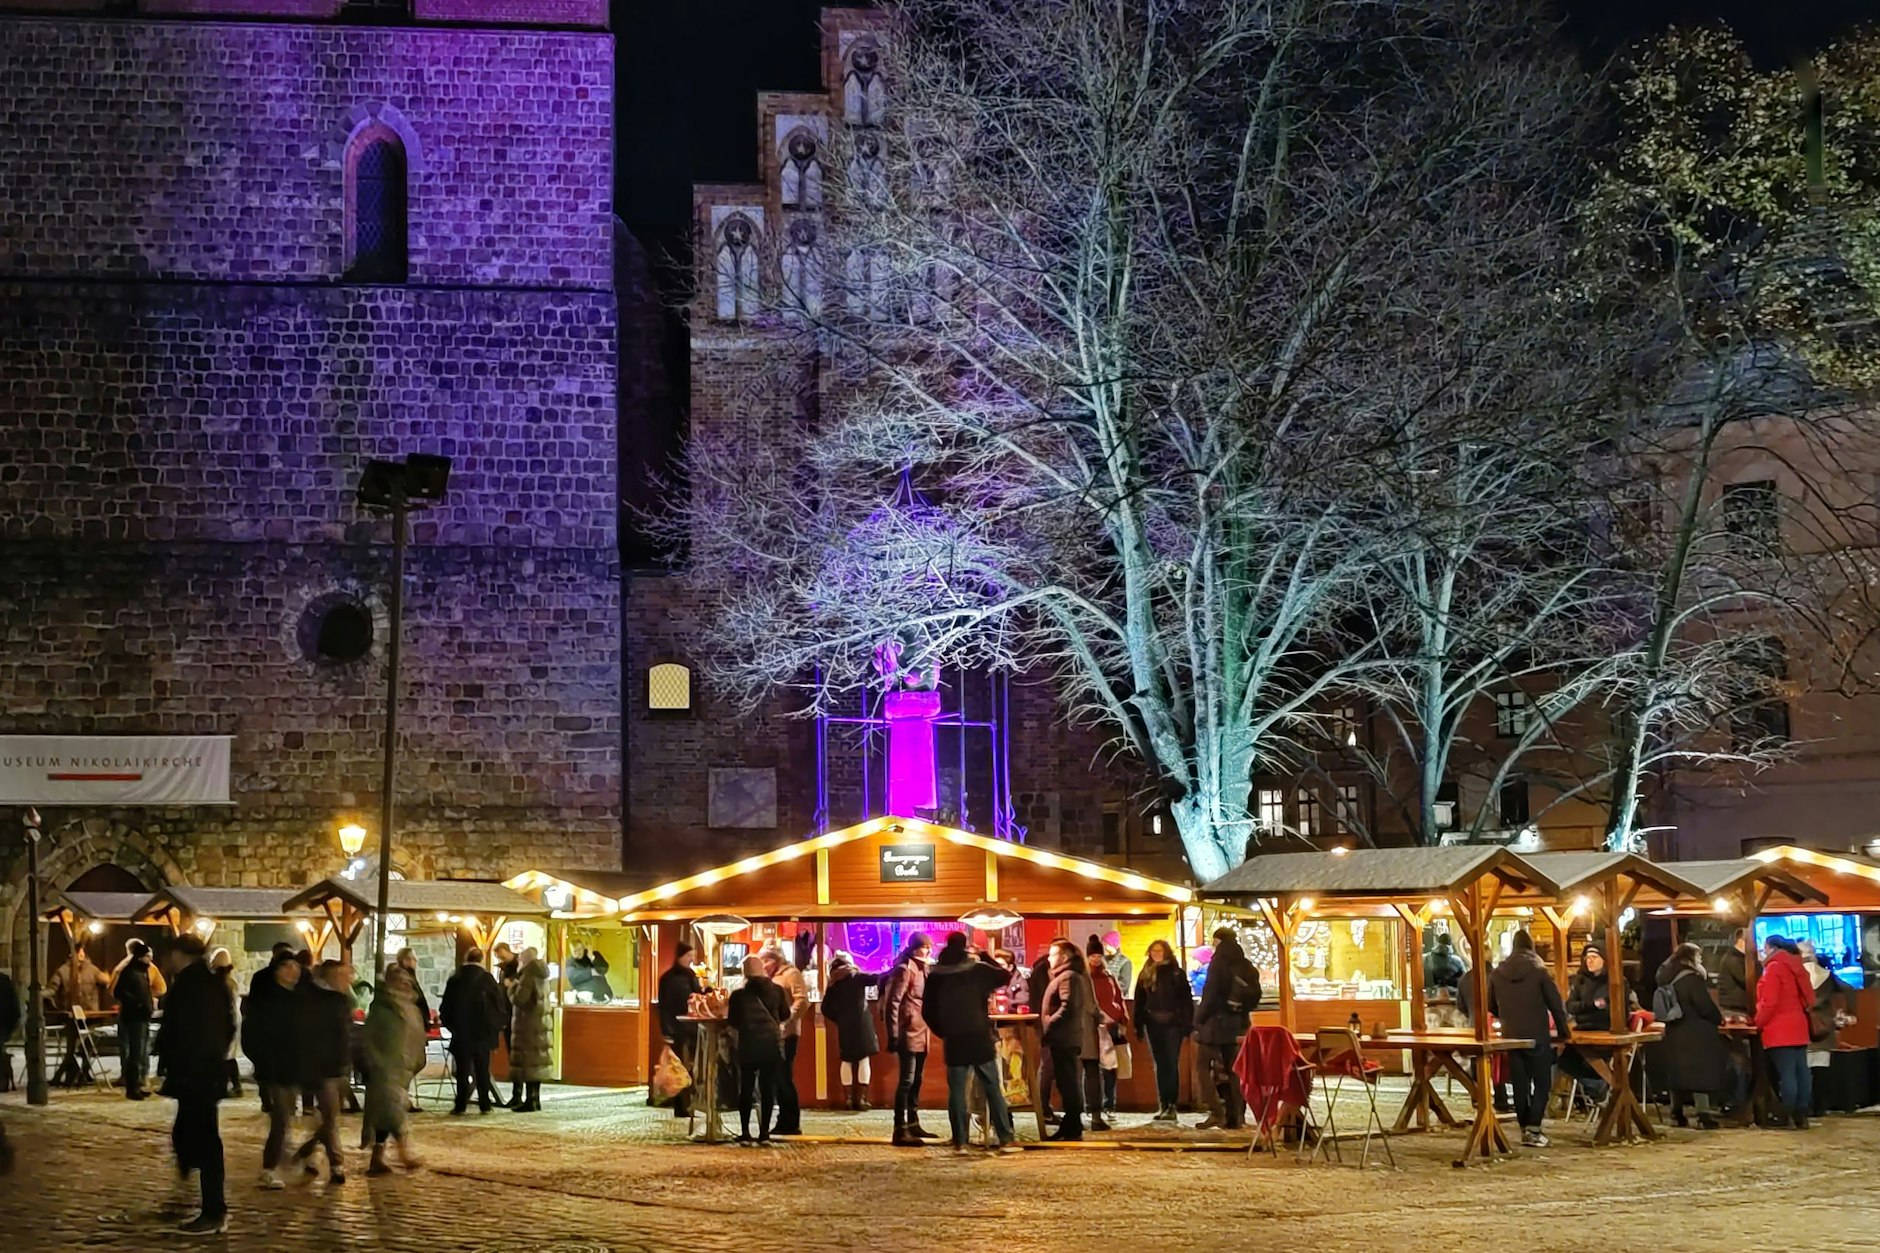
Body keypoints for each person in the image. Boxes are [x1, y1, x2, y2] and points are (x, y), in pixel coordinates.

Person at [156, 935, 235, 1235]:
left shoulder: (193, 986)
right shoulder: (207, 982)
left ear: (178, 954)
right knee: (190, 1133)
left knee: (206, 1140)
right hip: (202, 1072)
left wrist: (189, 1064)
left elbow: (193, 1031)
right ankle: (193, 1173)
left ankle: (214, 1210)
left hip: (197, 1073)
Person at [922, 932, 1019, 1153]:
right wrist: (985, 955)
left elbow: (927, 1010)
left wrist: (944, 1031)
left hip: (954, 1038)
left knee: (957, 1091)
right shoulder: (977, 969)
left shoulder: (937, 974)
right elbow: (1005, 975)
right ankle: (1005, 1137)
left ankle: (960, 1142)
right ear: (965, 946)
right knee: (992, 1087)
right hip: (978, 1034)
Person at [1487, 929, 1570, 1147]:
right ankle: (1534, 1128)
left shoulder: (1497, 973)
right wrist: (1563, 1032)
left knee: (1520, 1084)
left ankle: (1525, 1128)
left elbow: (1490, 1006)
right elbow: (1556, 1004)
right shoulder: (1539, 971)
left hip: (1511, 1035)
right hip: (1537, 1034)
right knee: (1543, 1083)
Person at [241, 950, 302, 1188]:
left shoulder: (297, 998)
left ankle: (296, 1157)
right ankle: (269, 1168)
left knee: (289, 1117)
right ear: (277, 971)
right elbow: (254, 1036)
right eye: (288, 967)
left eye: (295, 967)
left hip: (293, 1065)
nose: (293, 972)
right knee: (281, 1118)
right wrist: (264, 1062)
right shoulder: (267, 1002)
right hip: (275, 1068)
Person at [292, 958, 354, 1183]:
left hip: (337, 1065)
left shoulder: (340, 999)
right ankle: (337, 1164)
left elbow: (344, 1034)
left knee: (329, 1116)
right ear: (332, 977)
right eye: (344, 976)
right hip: (320, 1066)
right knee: (330, 1117)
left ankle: (307, 1153)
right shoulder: (312, 1000)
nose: (349, 980)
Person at [363, 963, 427, 1175]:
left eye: (407, 981)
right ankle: (404, 1152)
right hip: (386, 1067)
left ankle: (377, 1158)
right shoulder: (382, 1007)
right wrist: (375, 1061)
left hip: (404, 1067)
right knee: (393, 1112)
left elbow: (416, 1036)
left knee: (385, 1113)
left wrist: (418, 1060)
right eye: (400, 981)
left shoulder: (410, 1007)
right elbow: (370, 1036)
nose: (404, 985)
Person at [1193, 927, 1259, 1130]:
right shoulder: (1246, 965)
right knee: (1234, 1070)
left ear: (1218, 941)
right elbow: (1256, 995)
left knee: (1203, 1066)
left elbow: (1210, 995)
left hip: (1215, 1025)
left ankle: (1216, 1112)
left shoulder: (1218, 963)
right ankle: (1237, 1115)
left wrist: (1198, 1019)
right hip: (1238, 1024)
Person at [1657, 942, 1725, 1130]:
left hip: (1675, 1031)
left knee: (1678, 1074)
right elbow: (1704, 1005)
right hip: (1696, 1033)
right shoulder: (1691, 979)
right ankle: (1703, 1116)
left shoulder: (1667, 976)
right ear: (1690, 957)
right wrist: (1718, 1018)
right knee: (1699, 1075)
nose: (1701, 959)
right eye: (1698, 955)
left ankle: (1676, 1113)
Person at [726, 953, 789, 1144]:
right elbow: (785, 1014)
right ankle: (764, 1133)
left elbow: (733, 1021)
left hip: (748, 1046)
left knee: (746, 1088)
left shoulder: (738, 995)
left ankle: (745, 1132)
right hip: (771, 1046)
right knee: (767, 1089)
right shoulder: (777, 990)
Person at [1755, 934, 1817, 1129]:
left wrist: (1758, 1022)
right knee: (1802, 1073)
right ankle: (1802, 1115)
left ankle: (1786, 1116)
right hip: (1799, 1025)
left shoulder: (1773, 969)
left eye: (1764, 948)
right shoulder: (1797, 967)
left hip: (1779, 1028)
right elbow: (1810, 998)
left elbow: (1769, 1002)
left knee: (1787, 1075)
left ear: (1771, 948)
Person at [1040, 937, 1099, 1140]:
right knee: (1066, 1082)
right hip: (1062, 1037)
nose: (1049, 958)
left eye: (1052, 954)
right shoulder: (1065, 975)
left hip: (1064, 1037)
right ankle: (1071, 1124)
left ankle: (1072, 1125)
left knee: (1068, 1083)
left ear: (1063, 957)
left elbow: (1068, 1006)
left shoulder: (1069, 977)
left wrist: (1049, 1022)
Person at [1559, 943, 1633, 1103]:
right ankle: (1599, 1084)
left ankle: (1604, 1084)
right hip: (1583, 1031)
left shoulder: (1617, 982)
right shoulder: (1580, 981)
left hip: (1606, 1030)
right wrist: (1593, 1005)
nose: (1589, 961)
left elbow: (1615, 1009)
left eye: (1594, 957)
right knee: (1562, 1059)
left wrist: (1587, 1009)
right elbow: (1571, 1006)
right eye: (1587, 958)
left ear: (1604, 960)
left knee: (1593, 1058)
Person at [438, 946, 507, 1115]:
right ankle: (484, 1103)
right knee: (482, 1069)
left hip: (461, 1033)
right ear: (481, 959)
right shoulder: (487, 979)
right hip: (482, 1034)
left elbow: (445, 1007)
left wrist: (452, 1027)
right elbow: (499, 1006)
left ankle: (460, 1104)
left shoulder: (455, 978)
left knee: (462, 1070)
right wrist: (496, 1027)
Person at [883, 933, 936, 1146]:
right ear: (914, 948)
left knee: (917, 1079)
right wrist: (893, 1034)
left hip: (921, 1029)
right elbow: (892, 1003)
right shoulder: (905, 969)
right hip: (908, 1029)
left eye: (929, 947)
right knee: (907, 1080)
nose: (928, 951)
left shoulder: (923, 968)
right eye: (924, 947)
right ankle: (900, 1128)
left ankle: (913, 1123)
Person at [1133, 938, 1192, 1121]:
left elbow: (1186, 1000)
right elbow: (1139, 1001)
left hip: (1173, 1023)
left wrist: (1186, 1025)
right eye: (1153, 951)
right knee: (1160, 1065)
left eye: (1160, 950)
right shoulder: (1145, 974)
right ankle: (1163, 1104)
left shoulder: (1176, 973)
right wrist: (1138, 1025)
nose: (1156, 954)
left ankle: (1172, 1105)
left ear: (1166, 952)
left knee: (1171, 1063)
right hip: (1153, 1023)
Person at [820, 954, 883, 1111]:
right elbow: (877, 979)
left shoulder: (833, 982)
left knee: (846, 1059)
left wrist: (839, 1018)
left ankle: (848, 1099)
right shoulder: (856, 975)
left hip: (845, 1025)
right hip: (862, 1023)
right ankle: (861, 1099)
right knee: (863, 1059)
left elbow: (825, 1008)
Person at [759, 942, 809, 1136]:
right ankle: (784, 1120)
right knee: (777, 1078)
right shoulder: (770, 977)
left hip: (787, 1034)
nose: (763, 965)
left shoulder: (791, 974)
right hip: (772, 1033)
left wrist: (787, 1019)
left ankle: (790, 1120)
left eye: (765, 961)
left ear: (775, 960)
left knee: (783, 1077)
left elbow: (802, 1000)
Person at [1799, 941, 1852, 1118]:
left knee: (1803, 1072)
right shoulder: (1827, 975)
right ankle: (1820, 1108)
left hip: (1803, 1027)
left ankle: (1805, 1107)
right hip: (1824, 1027)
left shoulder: (1796, 976)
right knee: (1821, 1071)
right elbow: (1849, 989)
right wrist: (1847, 1012)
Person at [656, 942, 704, 1118]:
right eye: (689, 956)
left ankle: (689, 1103)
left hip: (692, 1027)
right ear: (680, 957)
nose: (691, 959)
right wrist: (666, 1030)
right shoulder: (669, 979)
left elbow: (697, 997)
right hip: (677, 1029)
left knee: (691, 1067)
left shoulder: (690, 975)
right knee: (679, 1067)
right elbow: (664, 1006)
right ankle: (680, 1105)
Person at [111, 939, 162, 1100]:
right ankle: (132, 1088)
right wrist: (138, 1003)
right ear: (140, 957)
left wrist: (148, 1002)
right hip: (134, 1018)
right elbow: (119, 992)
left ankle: (139, 1084)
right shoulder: (130, 972)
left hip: (143, 1017)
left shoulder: (143, 972)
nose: (150, 959)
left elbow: (155, 989)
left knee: (140, 1053)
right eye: (148, 956)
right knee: (135, 1053)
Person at [508, 947, 552, 1112]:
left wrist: (511, 987)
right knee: (536, 1065)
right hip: (540, 1025)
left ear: (525, 961)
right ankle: (535, 1099)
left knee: (528, 1064)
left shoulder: (528, 976)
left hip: (528, 1026)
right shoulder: (542, 975)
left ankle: (530, 1101)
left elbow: (520, 999)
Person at [1087, 944, 1128, 1119]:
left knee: (1110, 1067)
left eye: (1098, 955)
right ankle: (1091, 1106)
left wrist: (1123, 1020)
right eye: (1092, 956)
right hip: (1091, 1026)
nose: (1096, 959)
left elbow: (1119, 997)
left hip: (1111, 1025)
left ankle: (1109, 1104)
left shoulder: (1109, 975)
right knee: (1090, 1068)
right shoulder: (1085, 977)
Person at [1027, 946, 1057, 1121]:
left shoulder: (1042, 971)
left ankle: (1044, 1107)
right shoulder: (1042, 971)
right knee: (1048, 1066)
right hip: (1047, 1024)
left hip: (1044, 1023)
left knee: (1049, 1066)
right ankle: (1043, 1108)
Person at [208, 949, 243, 1098]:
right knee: (228, 1054)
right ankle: (235, 1084)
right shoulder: (231, 982)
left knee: (226, 1055)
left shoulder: (222, 984)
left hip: (225, 1020)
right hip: (231, 1019)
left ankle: (230, 1085)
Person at [492, 942, 521, 1109]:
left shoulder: (520, 968)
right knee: (513, 1056)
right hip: (507, 1015)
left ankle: (519, 1094)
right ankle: (517, 1094)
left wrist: (512, 984)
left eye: (501, 954)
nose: (499, 958)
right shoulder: (503, 968)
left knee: (518, 1057)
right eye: (497, 956)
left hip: (515, 1015)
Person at [48, 944, 111, 1013]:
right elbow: (51, 990)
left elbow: (106, 980)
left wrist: (107, 976)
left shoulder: (92, 969)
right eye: (78, 951)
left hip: (91, 1014)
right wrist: (55, 1009)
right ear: (71, 954)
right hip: (70, 1015)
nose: (81, 954)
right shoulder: (62, 971)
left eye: (83, 951)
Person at [1717, 928, 1755, 1017]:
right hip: (1734, 1009)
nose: (1753, 946)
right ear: (1741, 941)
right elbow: (1746, 979)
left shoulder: (1738, 957)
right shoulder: (1732, 958)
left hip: (1738, 1007)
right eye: (1751, 942)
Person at [1100, 932, 1133, 997]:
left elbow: (1124, 985)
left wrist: (1108, 991)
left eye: (1106, 944)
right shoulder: (1102, 960)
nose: (1104, 946)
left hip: (1118, 999)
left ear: (1113, 944)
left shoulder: (1125, 962)